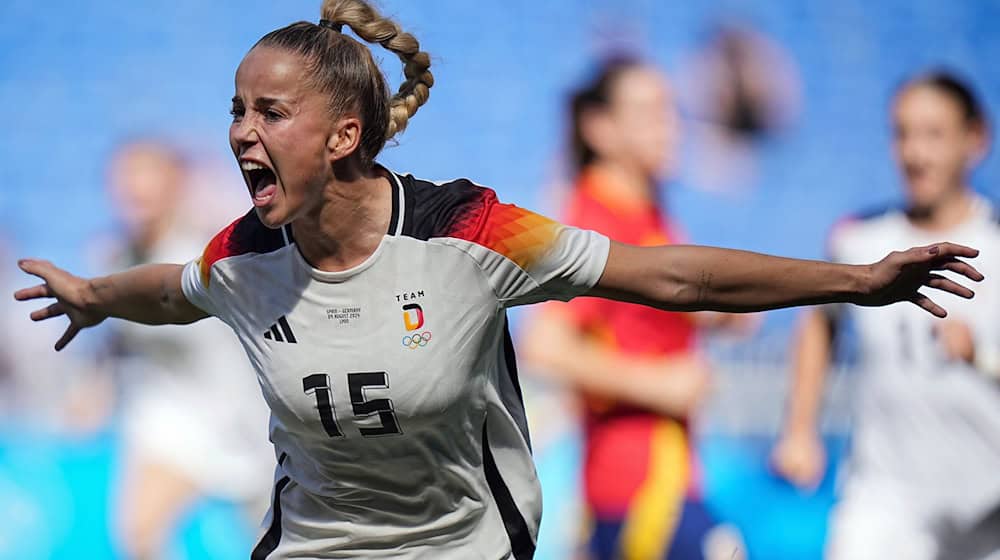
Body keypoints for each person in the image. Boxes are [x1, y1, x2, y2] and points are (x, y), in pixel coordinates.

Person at [12, 2, 983, 557]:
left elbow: (671, 278)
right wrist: (95, 295)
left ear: (345, 134)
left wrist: (854, 281)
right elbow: (171, 285)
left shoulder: (469, 229)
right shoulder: (242, 256)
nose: (239, 133)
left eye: (269, 112)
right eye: (235, 111)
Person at [521, 58, 747, 560]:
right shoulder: (592, 219)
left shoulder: (646, 213)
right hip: (638, 482)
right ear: (599, 128)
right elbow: (544, 345)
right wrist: (657, 383)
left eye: (671, 111)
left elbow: (629, 320)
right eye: (649, 112)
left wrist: (714, 313)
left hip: (663, 473)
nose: (670, 127)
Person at [771, 71, 1000, 560]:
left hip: (985, 509)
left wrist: (983, 357)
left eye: (933, 134)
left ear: (975, 139)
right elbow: (818, 324)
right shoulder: (860, 240)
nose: (915, 154)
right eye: (902, 133)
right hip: (882, 499)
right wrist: (799, 427)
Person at [101, 140, 273, 559]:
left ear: (175, 184)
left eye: (147, 179)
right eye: (127, 181)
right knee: (138, 532)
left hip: (240, 416)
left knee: (272, 545)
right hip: (168, 419)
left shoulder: (208, 247)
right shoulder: (115, 258)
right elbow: (118, 343)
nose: (135, 193)